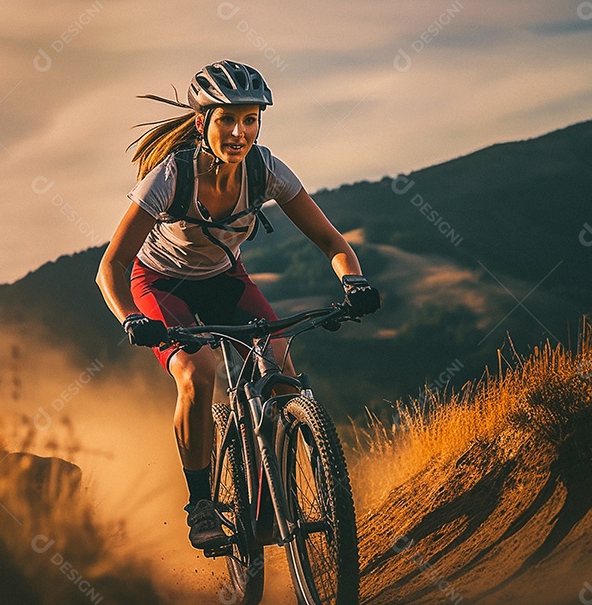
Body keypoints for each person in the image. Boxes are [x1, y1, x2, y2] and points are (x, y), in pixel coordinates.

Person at [95, 60, 380, 550]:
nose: (239, 131)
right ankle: (202, 503)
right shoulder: (170, 176)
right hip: (160, 284)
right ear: (202, 120)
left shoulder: (266, 168)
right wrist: (132, 319)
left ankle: (274, 495)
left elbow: (332, 240)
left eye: (250, 119)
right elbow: (111, 267)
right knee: (197, 371)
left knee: (281, 369)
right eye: (227, 119)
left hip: (224, 278)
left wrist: (353, 282)